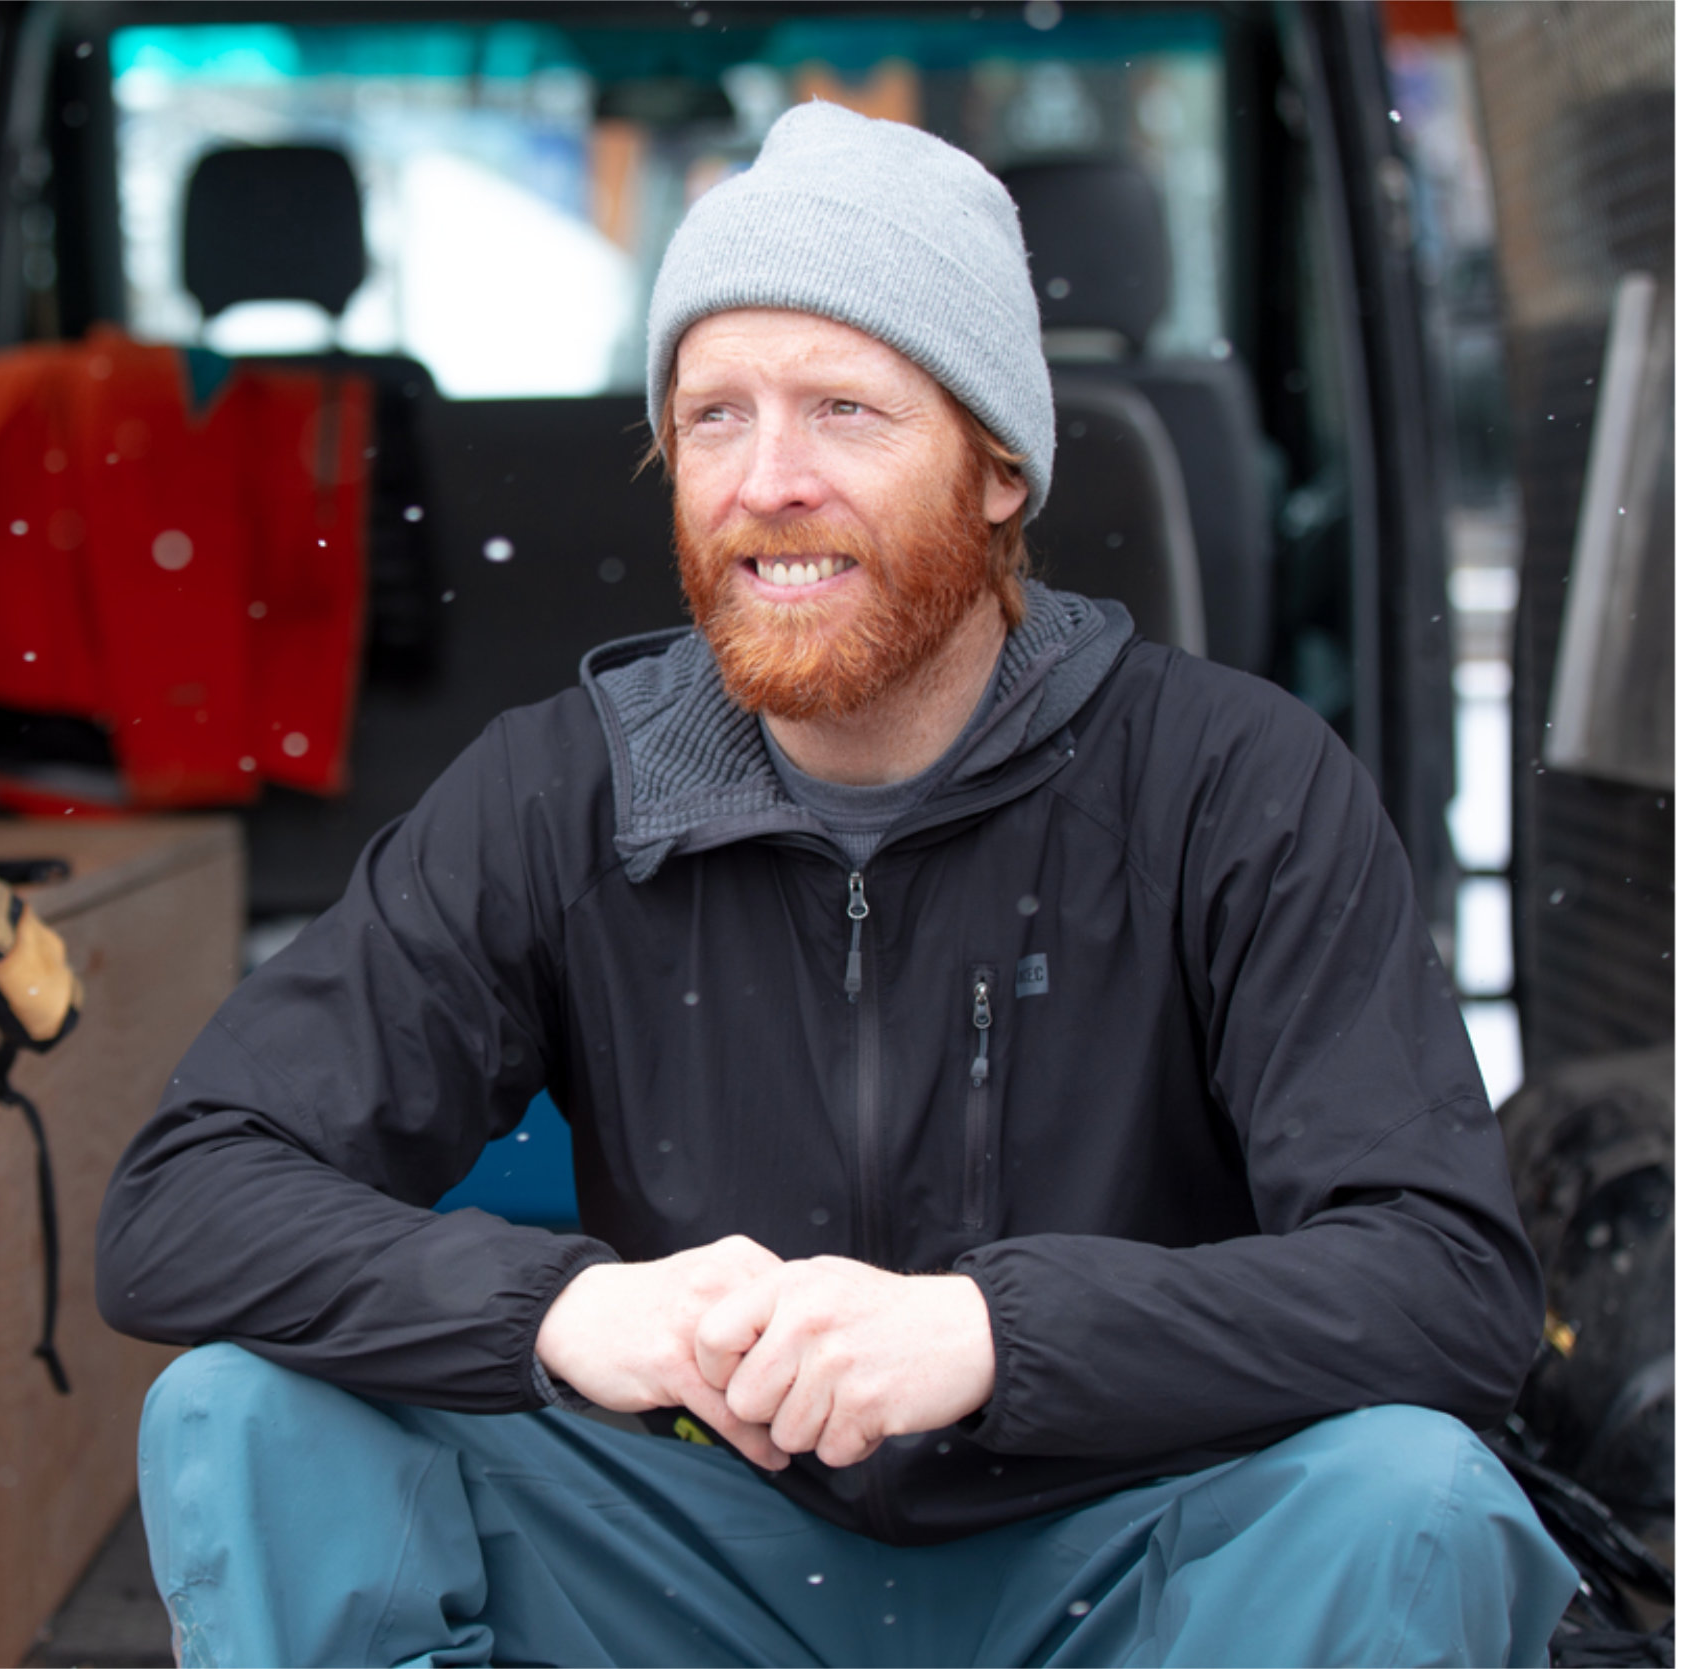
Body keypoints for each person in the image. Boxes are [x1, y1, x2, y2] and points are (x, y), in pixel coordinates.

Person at [97, 101, 1575, 1667]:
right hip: (698, 1557)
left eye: (844, 411)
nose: (767, 479)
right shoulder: (565, 790)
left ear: (997, 466)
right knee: (246, 1414)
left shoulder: (1230, 783)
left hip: (1135, 1555)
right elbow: (181, 1200)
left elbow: (1446, 1285)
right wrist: (560, 1304)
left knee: (1407, 1495)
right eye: (715, 415)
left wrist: (994, 1333)